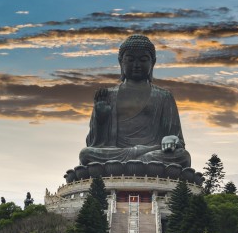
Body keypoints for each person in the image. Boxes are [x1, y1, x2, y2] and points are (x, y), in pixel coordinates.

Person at [79, 34, 192, 167]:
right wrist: (101, 119)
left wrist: (172, 139)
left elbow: (177, 139)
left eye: (143, 60)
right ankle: (138, 164)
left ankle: (134, 163)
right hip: (117, 154)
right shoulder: (107, 95)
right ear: (121, 62)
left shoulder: (164, 96)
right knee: (86, 154)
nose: (136, 65)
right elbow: (93, 144)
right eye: (130, 60)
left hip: (151, 152)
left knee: (183, 156)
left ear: (153, 62)